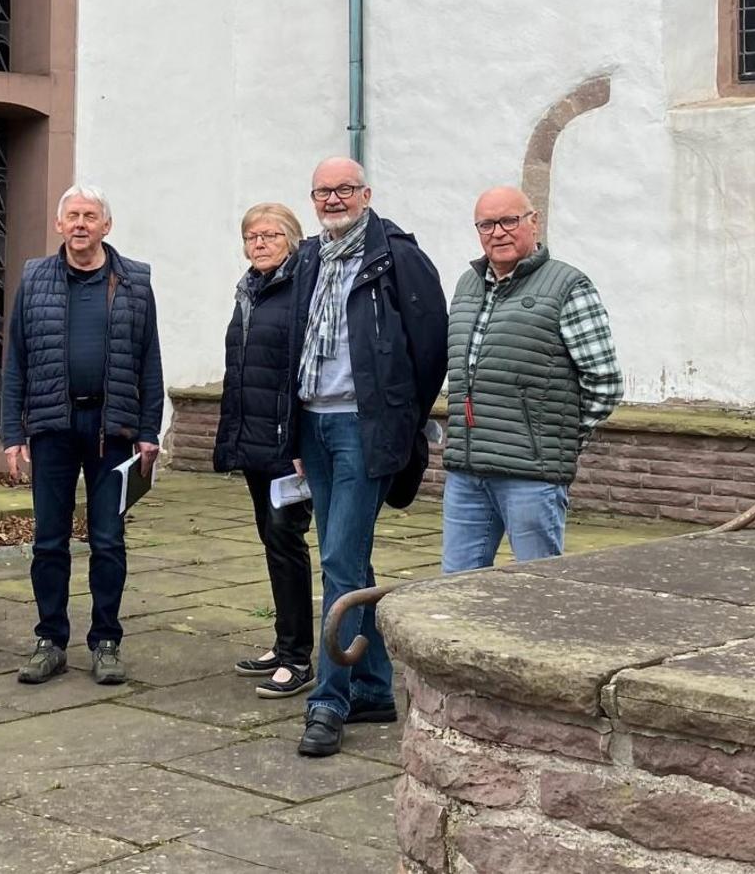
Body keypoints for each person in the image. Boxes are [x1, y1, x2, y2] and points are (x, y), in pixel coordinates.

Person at [292, 157, 447, 757]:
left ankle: (328, 700)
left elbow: (429, 349)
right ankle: (376, 688)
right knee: (349, 559)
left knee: (338, 559)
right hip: (314, 426)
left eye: (344, 189)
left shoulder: (397, 257)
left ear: (367, 193)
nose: (334, 199)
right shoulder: (309, 256)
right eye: (323, 191)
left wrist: (397, 423)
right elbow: (292, 347)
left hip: (363, 429)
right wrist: (291, 437)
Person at [1, 185, 164, 686]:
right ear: (58, 225)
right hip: (52, 428)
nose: (80, 224)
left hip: (112, 432)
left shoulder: (134, 281)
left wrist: (148, 431)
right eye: (72, 215)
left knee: (109, 542)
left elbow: (149, 362)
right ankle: (50, 639)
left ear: (105, 226)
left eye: (90, 216)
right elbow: (16, 361)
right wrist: (12, 432)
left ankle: (106, 641)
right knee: (49, 542)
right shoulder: (35, 279)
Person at [440, 186, 623, 573]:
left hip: (531, 475)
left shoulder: (568, 286)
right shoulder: (466, 285)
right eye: (486, 224)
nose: (498, 232)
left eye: (509, 220)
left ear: (533, 222)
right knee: (453, 592)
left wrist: (557, 437)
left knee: (537, 589)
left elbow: (604, 383)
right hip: (467, 471)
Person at [213, 203, 318, 700]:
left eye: (270, 235)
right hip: (257, 442)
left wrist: (298, 441)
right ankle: (284, 643)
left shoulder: (300, 290)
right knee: (273, 544)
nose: (259, 243)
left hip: (288, 450)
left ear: (291, 240)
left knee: (286, 542)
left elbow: (302, 370)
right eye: (251, 236)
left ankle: (299, 658)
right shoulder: (249, 290)